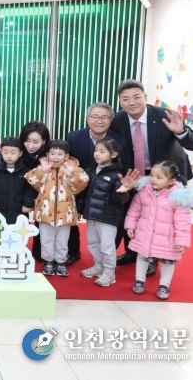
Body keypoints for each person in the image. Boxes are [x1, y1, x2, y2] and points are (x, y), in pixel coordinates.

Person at [111, 80, 193, 274]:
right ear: (120, 102)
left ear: (145, 97)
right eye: (126, 99)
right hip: (135, 173)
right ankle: (133, 251)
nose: (132, 102)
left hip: (165, 175)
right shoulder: (118, 120)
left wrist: (181, 132)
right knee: (133, 212)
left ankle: (153, 257)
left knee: (160, 217)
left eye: (136, 97)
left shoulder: (163, 115)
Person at [126, 161, 193, 300]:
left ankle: (164, 285)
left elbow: (183, 222)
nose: (153, 179)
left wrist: (181, 241)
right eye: (152, 175)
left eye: (159, 177)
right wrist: (130, 226)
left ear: (171, 181)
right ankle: (139, 280)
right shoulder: (144, 192)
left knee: (168, 261)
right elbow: (134, 211)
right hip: (145, 234)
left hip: (168, 238)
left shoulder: (178, 197)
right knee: (143, 256)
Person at [65, 102, 123, 266]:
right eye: (95, 117)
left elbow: (122, 164)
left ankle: (106, 263)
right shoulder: (74, 137)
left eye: (104, 117)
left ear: (111, 120)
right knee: (72, 221)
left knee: (106, 232)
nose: (99, 121)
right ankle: (73, 251)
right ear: (87, 118)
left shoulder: (119, 139)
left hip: (106, 189)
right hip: (80, 187)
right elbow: (70, 161)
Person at [25, 140, 89, 277]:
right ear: (47, 155)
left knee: (62, 241)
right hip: (45, 213)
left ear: (66, 156)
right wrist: (43, 171)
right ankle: (48, 261)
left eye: (60, 154)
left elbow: (83, 182)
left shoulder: (74, 168)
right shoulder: (43, 168)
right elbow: (31, 179)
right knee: (46, 239)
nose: (55, 157)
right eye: (52, 153)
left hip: (65, 214)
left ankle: (61, 262)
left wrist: (71, 175)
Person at [80, 139, 131, 287]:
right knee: (92, 243)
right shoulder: (91, 171)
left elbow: (121, 200)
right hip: (92, 215)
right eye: (96, 150)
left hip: (108, 218)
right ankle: (99, 266)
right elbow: (85, 193)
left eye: (102, 151)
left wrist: (122, 191)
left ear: (113, 154)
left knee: (107, 247)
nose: (97, 154)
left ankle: (109, 272)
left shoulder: (116, 175)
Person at [0, 137, 35, 225]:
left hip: (19, 212)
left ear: (20, 153)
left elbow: (29, 190)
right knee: (0, 232)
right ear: (1, 152)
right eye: (5, 152)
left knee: (18, 232)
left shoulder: (26, 171)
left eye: (13, 153)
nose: (9, 156)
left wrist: (27, 204)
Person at [20, 121, 51, 260]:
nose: (30, 146)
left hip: (45, 197)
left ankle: (41, 253)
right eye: (27, 141)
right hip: (21, 194)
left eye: (35, 142)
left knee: (43, 226)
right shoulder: (19, 152)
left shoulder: (49, 156)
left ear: (44, 141)